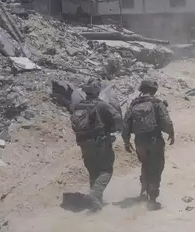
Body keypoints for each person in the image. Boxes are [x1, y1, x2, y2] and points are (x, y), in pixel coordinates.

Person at [71, 79, 122, 210]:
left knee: (93, 171)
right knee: (106, 169)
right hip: (101, 142)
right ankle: (95, 194)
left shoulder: (78, 106)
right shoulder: (102, 105)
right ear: (97, 91)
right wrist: (114, 129)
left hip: (84, 144)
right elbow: (117, 118)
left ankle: (96, 203)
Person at [122, 79, 174, 207]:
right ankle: (152, 198)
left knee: (145, 164)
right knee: (156, 167)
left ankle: (144, 190)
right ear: (154, 90)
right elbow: (166, 121)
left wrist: (126, 141)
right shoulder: (157, 103)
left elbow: (125, 124)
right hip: (155, 140)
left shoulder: (134, 104)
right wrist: (171, 133)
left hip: (139, 142)